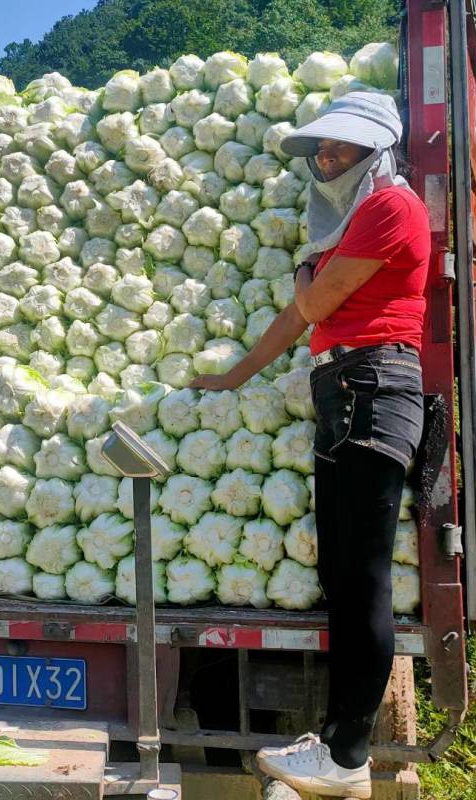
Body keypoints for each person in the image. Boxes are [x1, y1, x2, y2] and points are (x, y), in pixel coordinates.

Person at [190, 92, 430, 799]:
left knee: (363, 580)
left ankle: (349, 756)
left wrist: (306, 278)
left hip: (374, 387)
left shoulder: (391, 207)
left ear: (374, 149)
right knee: (344, 577)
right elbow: (303, 319)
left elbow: (315, 305)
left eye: (339, 148)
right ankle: (335, 747)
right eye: (320, 149)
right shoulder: (350, 223)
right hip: (345, 389)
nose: (325, 158)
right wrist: (234, 375)